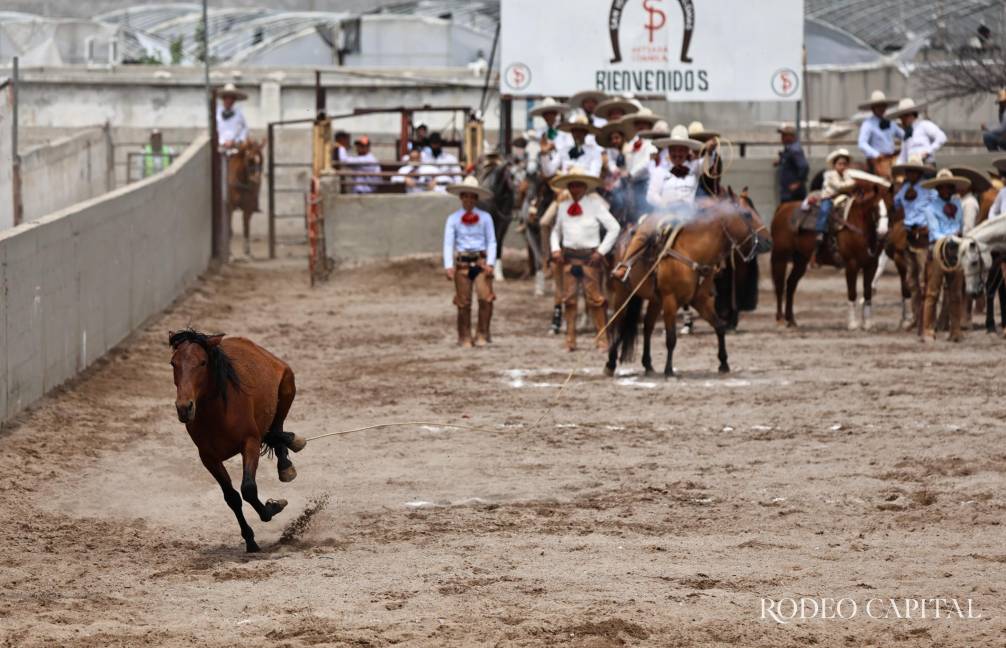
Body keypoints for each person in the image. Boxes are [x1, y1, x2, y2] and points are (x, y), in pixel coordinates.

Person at [549, 167, 620, 352]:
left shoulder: (595, 205)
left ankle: (602, 338)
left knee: (596, 299)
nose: (575, 189)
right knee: (569, 300)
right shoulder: (563, 206)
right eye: (572, 185)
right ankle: (570, 339)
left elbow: (614, 227)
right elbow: (555, 231)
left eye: (578, 185)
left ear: (585, 186)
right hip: (569, 258)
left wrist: (602, 251)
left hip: (590, 259)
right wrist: (555, 249)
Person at [443, 176, 497, 347]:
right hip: (463, 263)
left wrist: (490, 263)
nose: (469, 200)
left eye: (472, 196)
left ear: (476, 199)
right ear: (461, 198)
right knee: (463, 301)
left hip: (480, 262)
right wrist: (448, 266)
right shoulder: (453, 219)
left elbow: (492, 241)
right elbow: (448, 242)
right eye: (466, 196)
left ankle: (483, 332)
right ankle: (464, 335)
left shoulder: (486, 217)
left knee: (485, 298)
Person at [920, 169, 970, 342]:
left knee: (955, 292)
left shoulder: (958, 205)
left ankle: (955, 330)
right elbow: (935, 232)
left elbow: (959, 224)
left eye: (949, 187)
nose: (947, 190)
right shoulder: (930, 208)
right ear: (939, 188)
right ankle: (928, 329)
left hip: (955, 250)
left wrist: (956, 236)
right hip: (938, 250)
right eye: (943, 187)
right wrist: (952, 236)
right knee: (932, 292)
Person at [892, 155, 937, 330]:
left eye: (911, 171)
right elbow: (896, 205)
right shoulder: (904, 190)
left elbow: (937, 205)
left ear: (918, 172)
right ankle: (917, 316)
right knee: (911, 279)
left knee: (924, 278)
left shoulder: (929, 189)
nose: (908, 174)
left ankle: (928, 319)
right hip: (908, 234)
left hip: (924, 235)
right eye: (907, 171)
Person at [806, 148, 856, 259]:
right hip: (829, 197)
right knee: (825, 209)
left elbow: (849, 184)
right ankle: (820, 231)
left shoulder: (847, 174)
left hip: (843, 197)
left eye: (844, 164)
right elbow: (838, 186)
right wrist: (852, 184)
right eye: (840, 164)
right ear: (834, 165)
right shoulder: (829, 175)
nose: (842, 166)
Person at [857, 90, 903, 178]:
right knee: (887, 177)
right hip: (877, 159)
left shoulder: (891, 123)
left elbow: (903, 135)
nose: (881, 109)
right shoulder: (868, 124)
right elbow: (862, 143)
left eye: (883, 106)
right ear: (873, 108)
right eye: (878, 106)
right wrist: (876, 154)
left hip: (891, 157)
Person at [888, 98, 947, 166]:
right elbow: (903, 157)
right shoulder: (906, 135)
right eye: (901, 118)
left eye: (904, 117)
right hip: (911, 167)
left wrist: (928, 152)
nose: (902, 120)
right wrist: (895, 166)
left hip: (926, 165)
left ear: (911, 115)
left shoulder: (924, 125)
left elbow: (941, 137)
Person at [775, 124, 809, 202]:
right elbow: (788, 160)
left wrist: (798, 183)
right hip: (788, 190)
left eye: (784, 135)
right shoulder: (789, 148)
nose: (782, 138)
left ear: (791, 137)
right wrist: (780, 161)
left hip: (793, 192)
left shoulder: (795, 150)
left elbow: (804, 166)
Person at [687, 121, 721, 198]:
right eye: (693, 140)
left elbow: (713, 177)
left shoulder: (714, 156)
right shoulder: (686, 156)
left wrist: (709, 153)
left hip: (706, 191)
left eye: (700, 139)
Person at [216, 83, 249, 150]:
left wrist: (238, 140)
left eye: (232, 98)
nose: (229, 101)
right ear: (223, 98)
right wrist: (222, 142)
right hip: (220, 147)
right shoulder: (216, 113)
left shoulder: (239, 113)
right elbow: (214, 130)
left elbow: (245, 128)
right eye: (227, 98)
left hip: (235, 146)